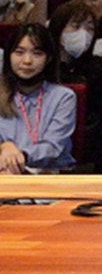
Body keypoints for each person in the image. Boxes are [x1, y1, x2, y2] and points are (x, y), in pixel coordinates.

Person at [0, 21, 76, 172]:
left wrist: (19, 156)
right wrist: (4, 147)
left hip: (48, 174)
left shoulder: (63, 97)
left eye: (37, 53)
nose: (27, 61)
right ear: (9, 56)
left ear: (48, 59)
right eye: (19, 52)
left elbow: (53, 148)